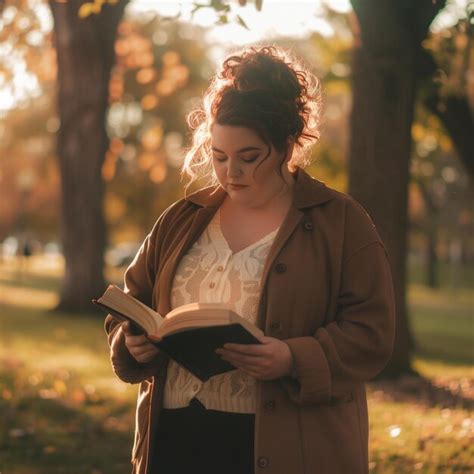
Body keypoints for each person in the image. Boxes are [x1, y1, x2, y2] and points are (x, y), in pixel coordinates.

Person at [105, 45, 396, 474]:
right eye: (219, 156)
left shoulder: (341, 222)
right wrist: (131, 342)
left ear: (286, 144)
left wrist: (294, 357)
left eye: (248, 157)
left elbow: (372, 331)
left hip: (285, 445)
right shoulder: (182, 219)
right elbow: (133, 305)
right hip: (174, 440)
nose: (230, 173)